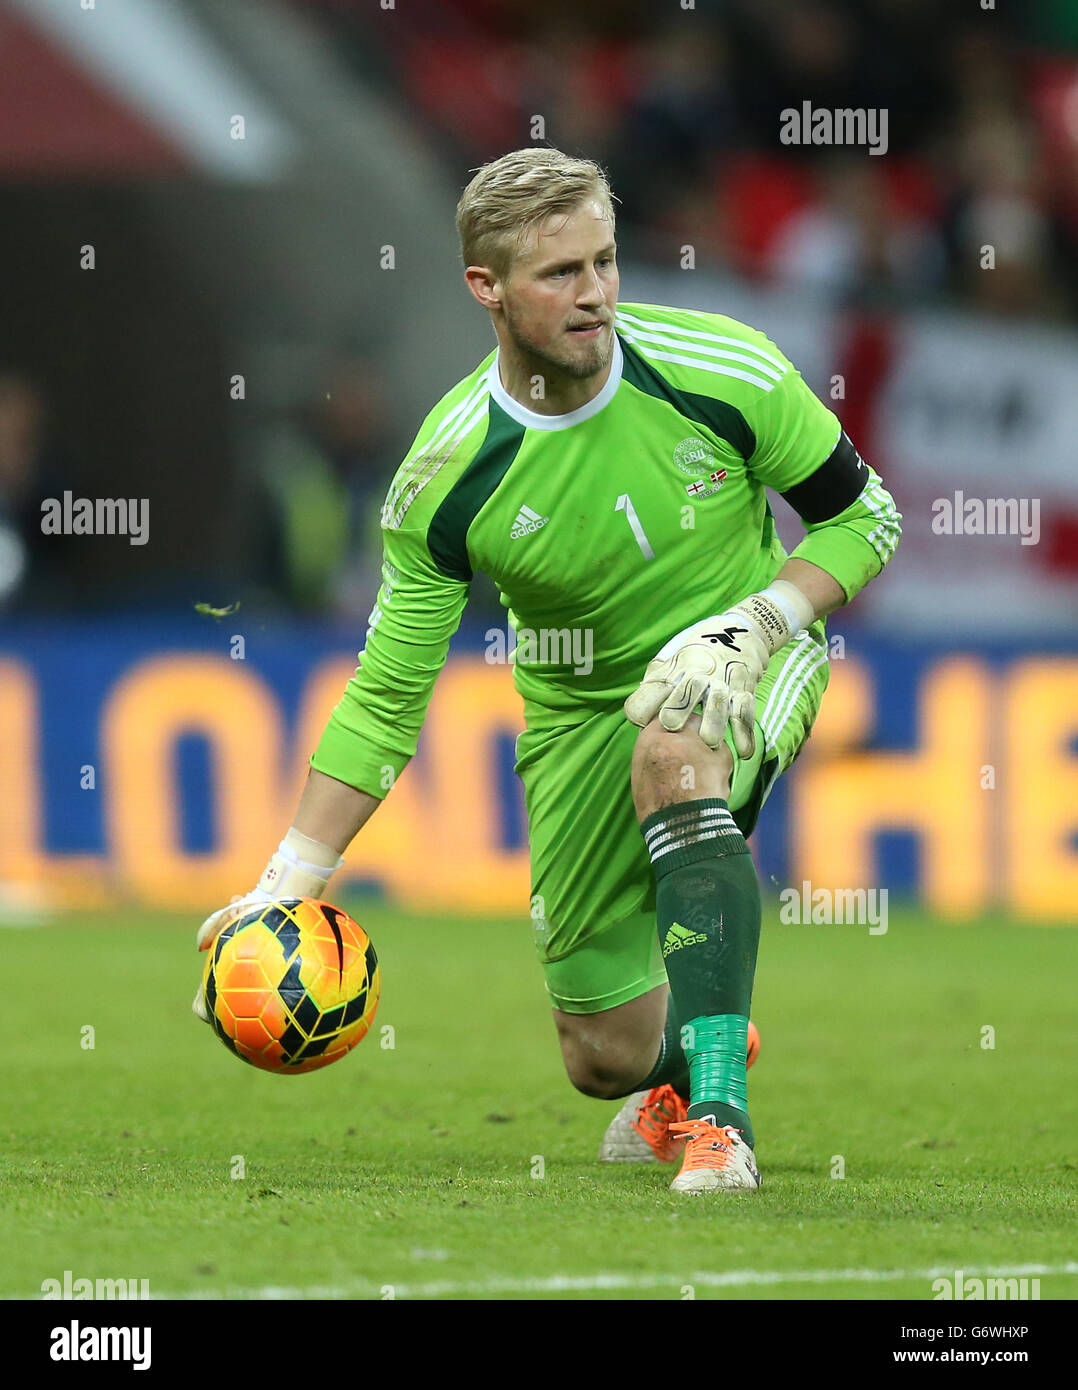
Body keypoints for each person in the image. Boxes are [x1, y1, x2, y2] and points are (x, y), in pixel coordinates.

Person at [193, 148, 900, 1195]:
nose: (596, 293)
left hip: (750, 653)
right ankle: (692, 1053)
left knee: (675, 747)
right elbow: (388, 697)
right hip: (575, 717)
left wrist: (759, 620)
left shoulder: (724, 369)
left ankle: (718, 1122)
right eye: (560, 273)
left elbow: (862, 516)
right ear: (485, 288)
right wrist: (287, 880)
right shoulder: (448, 476)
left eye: (605, 261)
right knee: (600, 1054)